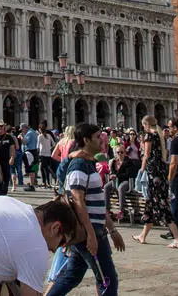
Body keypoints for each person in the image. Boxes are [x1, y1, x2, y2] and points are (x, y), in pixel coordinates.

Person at [48, 122, 124, 296]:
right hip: (88, 231)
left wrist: (112, 229)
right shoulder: (79, 165)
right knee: (107, 279)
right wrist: (90, 234)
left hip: (92, 229)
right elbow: (78, 200)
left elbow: (96, 202)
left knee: (72, 277)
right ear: (86, 140)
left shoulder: (88, 163)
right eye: (97, 137)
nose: (102, 140)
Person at [134, 115, 178, 248]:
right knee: (150, 204)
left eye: (143, 125)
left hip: (153, 173)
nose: (143, 128)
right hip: (160, 172)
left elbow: (147, 153)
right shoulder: (160, 136)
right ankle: (143, 236)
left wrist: (142, 168)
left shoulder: (149, 135)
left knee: (162, 205)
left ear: (146, 125)